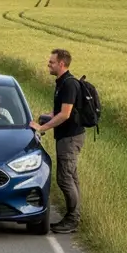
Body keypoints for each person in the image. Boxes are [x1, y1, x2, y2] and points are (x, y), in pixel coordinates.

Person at [30, 48, 84, 233]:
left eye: (52, 62)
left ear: (61, 64)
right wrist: (42, 118)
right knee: (72, 177)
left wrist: (43, 128)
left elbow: (65, 114)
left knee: (64, 179)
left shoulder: (69, 85)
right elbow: (57, 112)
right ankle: (74, 216)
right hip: (65, 137)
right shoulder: (61, 83)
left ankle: (73, 220)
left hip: (70, 138)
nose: (48, 64)